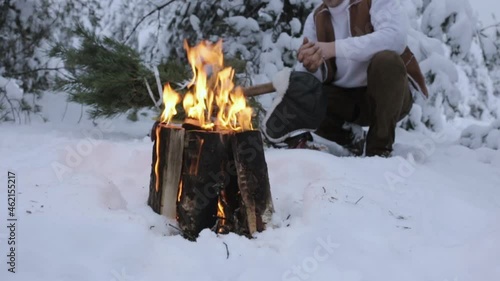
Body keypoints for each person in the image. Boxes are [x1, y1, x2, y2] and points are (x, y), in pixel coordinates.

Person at [262, 0, 428, 157]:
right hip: (346, 100)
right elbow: (313, 77)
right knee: (308, 95)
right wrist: (311, 66)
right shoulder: (316, 19)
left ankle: (378, 151)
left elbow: (394, 39)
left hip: (391, 96)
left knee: (387, 61)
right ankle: (354, 140)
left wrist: (333, 48)